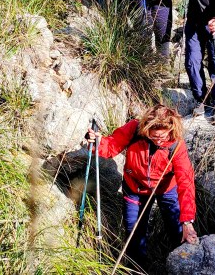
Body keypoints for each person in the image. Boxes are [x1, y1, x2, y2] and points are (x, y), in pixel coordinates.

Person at [84, 105, 199, 268]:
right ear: (146, 128)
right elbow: (111, 147)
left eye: (163, 137)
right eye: (154, 137)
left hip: (166, 189)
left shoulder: (176, 144)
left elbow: (186, 181)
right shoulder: (134, 130)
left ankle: (181, 264)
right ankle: (137, 268)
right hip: (135, 189)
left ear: (171, 129)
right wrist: (96, 142)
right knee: (134, 233)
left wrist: (187, 221)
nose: (159, 141)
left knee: (178, 229)